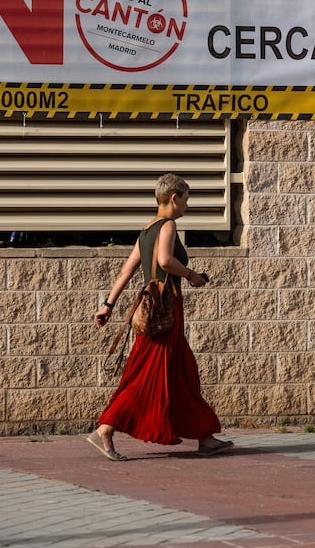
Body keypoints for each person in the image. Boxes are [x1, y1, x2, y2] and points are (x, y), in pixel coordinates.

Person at [87, 173, 232, 460]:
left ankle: (205, 438)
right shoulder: (167, 226)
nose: (187, 206)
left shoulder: (146, 230)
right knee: (148, 375)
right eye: (186, 200)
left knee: (181, 373)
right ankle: (105, 429)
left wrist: (108, 305)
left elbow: (127, 270)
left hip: (152, 311)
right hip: (165, 313)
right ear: (174, 198)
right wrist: (191, 275)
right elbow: (165, 261)